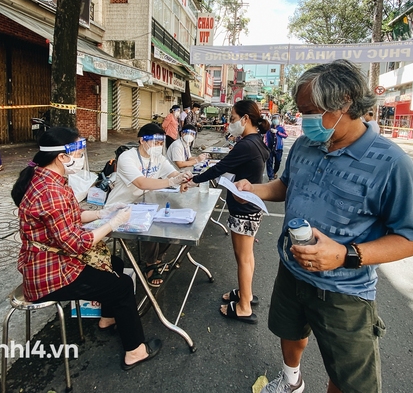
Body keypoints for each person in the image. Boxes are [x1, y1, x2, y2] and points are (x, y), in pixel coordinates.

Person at [235, 60, 413, 393]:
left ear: (346, 102)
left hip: (344, 293)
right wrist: (255, 190)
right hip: (292, 272)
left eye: (311, 111)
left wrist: (345, 255)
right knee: (290, 332)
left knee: (349, 376)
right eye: (301, 111)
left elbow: (411, 238)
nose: (305, 120)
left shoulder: (392, 164)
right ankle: (291, 381)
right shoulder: (307, 145)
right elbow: (286, 185)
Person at [11, 127, 162, 370]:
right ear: (62, 156)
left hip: (54, 261)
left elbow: (70, 216)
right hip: (50, 275)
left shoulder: (47, 178)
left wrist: (102, 213)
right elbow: (76, 243)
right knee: (123, 286)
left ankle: (107, 318)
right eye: (79, 152)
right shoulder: (50, 191)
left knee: (116, 264)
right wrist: (113, 223)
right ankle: (135, 351)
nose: (82, 157)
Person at [188, 100, 270, 324]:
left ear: (245, 119)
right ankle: (247, 294)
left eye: (233, 119)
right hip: (249, 206)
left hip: (245, 208)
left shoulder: (247, 144)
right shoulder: (254, 141)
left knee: (243, 258)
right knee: (247, 256)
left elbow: (220, 168)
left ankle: (244, 307)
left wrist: (193, 180)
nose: (230, 123)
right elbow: (230, 166)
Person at [104, 123, 191, 287]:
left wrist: (183, 179)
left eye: (161, 143)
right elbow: (141, 183)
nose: (159, 147)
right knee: (151, 225)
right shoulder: (127, 157)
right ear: (142, 140)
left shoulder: (158, 157)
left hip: (143, 203)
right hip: (120, 206)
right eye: (156, 142)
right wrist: (172, 181)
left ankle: (157, 259)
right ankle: (150, 265)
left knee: (173, 223)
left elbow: (173, 173)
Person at [265, 114, 288, 181]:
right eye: (274, 118)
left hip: (278, 148)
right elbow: (266, 137)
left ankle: (274, 172)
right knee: (269, 163)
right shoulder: (269, 128)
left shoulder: (281, 128)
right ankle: (271, 177)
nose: (275, 120)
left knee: (278, 162)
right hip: (270, 148)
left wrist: (277, 132)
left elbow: (286, 135)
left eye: (277, 119)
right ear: (272, 120)